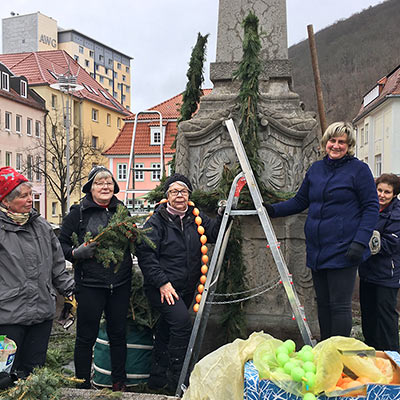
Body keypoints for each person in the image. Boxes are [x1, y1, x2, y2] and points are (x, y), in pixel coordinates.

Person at [264, 122, 379, 341]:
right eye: (332, 141)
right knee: (323, 304)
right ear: (325, 143)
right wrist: (270, 210)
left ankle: (340, 351)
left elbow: (371, 207)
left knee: (339, 306)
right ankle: (326, 348)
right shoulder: (316, 169)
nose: (336, 146)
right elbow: (300, 201)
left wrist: (360, 241)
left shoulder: (359, 170)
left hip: (345, 249)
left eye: (341, 142)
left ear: (349, 145)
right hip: (318, 249)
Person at [136, 173, 223, 393]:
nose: (179, 196)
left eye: (183, 191)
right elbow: (146, 255)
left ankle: (157, 380)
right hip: (162, 289)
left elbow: (213, 232)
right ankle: (177, 381)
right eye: (174, 191)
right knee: (182, 324)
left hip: (185, 289)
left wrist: (224, 213)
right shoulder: (156, 221)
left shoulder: (196, 217)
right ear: (166, 196)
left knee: (166, 329)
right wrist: (162, 283)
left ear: (189, 195)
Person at [58, 166, 132, 392]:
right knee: (86, 337)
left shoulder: (122, 212)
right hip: (90, 285)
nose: (105, 186)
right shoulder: (77, 213)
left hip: (119, 284)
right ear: (90, 188)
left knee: (118, 334)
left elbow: (132, 241)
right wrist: (74, 253)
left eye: (109, 183)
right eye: (100, 183)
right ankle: (82, 384)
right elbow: (59, 244)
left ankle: (119, 382)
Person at [0, 167, 74, 380]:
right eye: (23, 196)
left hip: (41, 311)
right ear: (5, 201)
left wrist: (68, 289)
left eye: (30, 195)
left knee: (33, 375)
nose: (30, 200)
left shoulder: (41, 226)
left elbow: (57, 264)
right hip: (8, 315)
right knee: (5, 378)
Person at [359, 173, 400, 351]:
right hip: (367, 272)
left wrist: (363, 242)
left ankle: (392, 358)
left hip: (387, 275)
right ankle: (372, 355)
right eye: (379, 190)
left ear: (394, 194)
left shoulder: (397, 214)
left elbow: (390, 243)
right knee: (368, 317)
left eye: (387, 192)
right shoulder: (370, 208)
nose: (382, 195)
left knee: (386, 319)